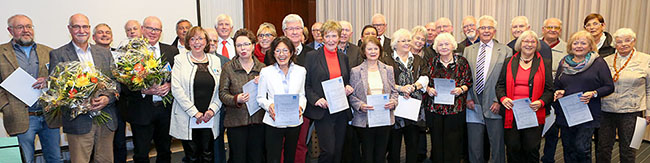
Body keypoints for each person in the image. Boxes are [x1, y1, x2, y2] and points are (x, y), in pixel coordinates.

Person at [49, 13, 117, 163]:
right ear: (69, 29)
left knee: (106, 160)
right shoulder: (58, 54)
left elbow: (115, 82)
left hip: (105, 119)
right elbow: (55, 89)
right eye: (77, 26)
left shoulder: (104, 53)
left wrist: (107, 98)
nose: (82, 30)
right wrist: (79, 101)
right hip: (78, 121)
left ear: (89, 28)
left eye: (85, 26)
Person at [0, 14, 61, 163]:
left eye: (29, 26)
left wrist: (49, 81)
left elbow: (61, 79)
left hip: (48, 116)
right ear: (10, 30)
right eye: (20, 27)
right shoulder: (1, 53)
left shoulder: (49, 51)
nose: (26, 30)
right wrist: (5, 106)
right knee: (25, 160)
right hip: (20, 116)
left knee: (55, 159)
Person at [552, 30, 614, 163]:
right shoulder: (564, 62)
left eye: (583, 43)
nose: (579, 46)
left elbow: (609, 86)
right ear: (570, 45)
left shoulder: (598, 62)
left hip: (588, 112)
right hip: (567, 113)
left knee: (581, 147)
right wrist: (559, 91)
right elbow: (557, 85)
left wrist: (594, 93)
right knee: (568, 147)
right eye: (575, 43)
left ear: (590, 46)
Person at [122, 16, 178, 163]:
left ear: (161, 32)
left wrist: (170, 85)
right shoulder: (130, 52)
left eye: (157, 29)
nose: (153, 32)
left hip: (165, 110)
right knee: (141, 153)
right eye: (149, 28)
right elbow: (122, 83)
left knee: (165, 151)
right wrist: (141, 90)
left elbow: (180, 78)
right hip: (141, 110)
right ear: (142, 29)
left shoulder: (172, 51)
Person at [496, 30, 553, 162]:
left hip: (533, 112)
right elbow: (500, 85)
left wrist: (541, 102)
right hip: (512, 111)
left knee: (531, 149)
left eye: (533, 41)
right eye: (525, 41)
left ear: (537, 45)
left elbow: (549, 89)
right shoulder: (508, 62)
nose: (529, 44)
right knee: (512, 148)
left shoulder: (545, 63)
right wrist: (503, 98)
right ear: (520, 44)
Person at [170, 26, 224, 163]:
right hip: (187, 116)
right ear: (188, 42)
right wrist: (195, 113)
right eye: (192, 39)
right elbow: (176, 89)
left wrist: (212, 110)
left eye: (200, 38)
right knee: (192, 156)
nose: (197, 42)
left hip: (209, 117)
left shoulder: (215, 61)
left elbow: (220, 88)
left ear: (206, 41)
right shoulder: (180, 60)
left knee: (208, 155)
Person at [462, 15, 512, 163]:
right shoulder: (468, 50)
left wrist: (499, 100)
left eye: (489, 27)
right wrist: (468, 98)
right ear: (478, 30)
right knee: (474, 145)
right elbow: (465, 77)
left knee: (497, 145)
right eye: (482, 27)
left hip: (494, 102)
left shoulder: (505, 51)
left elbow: (506, 80)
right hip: (473, 102)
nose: (486, 31)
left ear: (494, 30)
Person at [304, 20, 354, 163]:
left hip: (340, 110)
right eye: (328, 36)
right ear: (322, 38)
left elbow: (344, 81)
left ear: (339, 37)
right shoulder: (312, 56)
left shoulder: (343, 57)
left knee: (338, 151)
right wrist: (316, 99)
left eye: (334, 36)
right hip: (323, 110)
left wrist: (347, 87)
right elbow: (306, 85)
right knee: (328, 151)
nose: (331, 40)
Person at [599, 28, 650, 163]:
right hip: (606, 109)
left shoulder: (646, 60)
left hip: (631, 111)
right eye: (619, 41)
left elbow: (649, 88)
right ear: (615, 44)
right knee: (603, 148)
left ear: (634, 41)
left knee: (628, 149)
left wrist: (649, 111)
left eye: (628, 40)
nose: (623, 44)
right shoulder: (606, 60)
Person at [381, 28, 429, 163]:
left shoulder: (418, 59)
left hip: (413, 107)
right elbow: (385, 82)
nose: (408, 43)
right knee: (394, 146)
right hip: (395, 107)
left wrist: (413, 87)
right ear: (395, 44)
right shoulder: (386, 60)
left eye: (409, 40)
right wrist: (401, 88)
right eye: (403, 41)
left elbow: (425, 78)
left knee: (413, 144)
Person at [256, 36, 307, 163]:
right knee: (273, 157)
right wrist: (269, 106)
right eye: (278, 51)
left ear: (291, 52)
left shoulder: (301, 71)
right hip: (273, 121)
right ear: (273, 53)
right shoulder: (266, 72)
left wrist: (300, 107)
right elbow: (260, 98)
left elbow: (302, 95)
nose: (281, 54)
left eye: (285, 50)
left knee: (291, 156)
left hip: (294, 120)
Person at [423, 32, 473, 162]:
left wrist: (461, 89)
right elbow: (423, 81)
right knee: (436, 140)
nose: (444, 47)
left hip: (455, 109)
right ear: (436, 47)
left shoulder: (462, 62)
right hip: (435, 109)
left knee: (454, 142)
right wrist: (428, 89)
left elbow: (468, 81)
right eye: (440, 45)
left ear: (453, 46)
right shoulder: (431, 62)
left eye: (447, 44)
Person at [219, 28, 266, 163]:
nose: (243, 48)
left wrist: (263, 83)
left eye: (246, 44)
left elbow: (269, 94)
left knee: (256, 158)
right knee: (238, 158)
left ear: (253, 45)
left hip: (258, 121)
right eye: (239, 45)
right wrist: (236, 99)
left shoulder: (262, 68)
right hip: (236, 122)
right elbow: (222, 94)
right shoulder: (228, 68)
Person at [348, 36, 398, 163]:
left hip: (384, 117)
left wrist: (393, 102)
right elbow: (351, 96)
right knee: (367, 155)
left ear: (380, 51)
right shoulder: (356, 71)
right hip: (365, 119)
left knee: (381, 155)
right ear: (364, 51)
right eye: (369, 49)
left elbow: (394, 91)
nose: (373, 51)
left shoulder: (388, 69)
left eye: (376, 48)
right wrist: (360, 105)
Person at [92, 23, 129, 163]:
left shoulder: (120, 55)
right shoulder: (88, 56)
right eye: (100, 32)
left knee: (119, 143)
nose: (104, 35)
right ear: (94, 37)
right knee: (96, 146)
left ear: (112, 37)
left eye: (107, 32)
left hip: (117, 106)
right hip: (95, 106)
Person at [540, 17, 567, 163]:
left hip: (556, 95)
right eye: (549, 27)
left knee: (552, 131)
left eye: (556, 28)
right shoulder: (533, 43)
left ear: (560, 31)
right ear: (543, 29)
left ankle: (548, 158)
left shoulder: (567, 49)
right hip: (535, 94)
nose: (552, 30)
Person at [339, 20, 364, 163]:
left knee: (353, 138)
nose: (343, 33)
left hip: (353, 98)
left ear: (351, 34)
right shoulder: (330, 50)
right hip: (335, 98)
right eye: (341, 30)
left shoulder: (357, 50)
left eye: (346, 30)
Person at [204, 27, 229, 163]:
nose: (212, 43)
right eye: (209, 40)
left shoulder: (225, 61)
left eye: (215, 40)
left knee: (218, 142)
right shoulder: (196, 59)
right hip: (200, 109)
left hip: (220, 109)